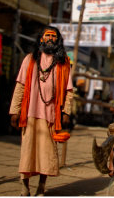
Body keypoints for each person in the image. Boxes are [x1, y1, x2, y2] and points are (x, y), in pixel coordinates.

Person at [9, 26, 73, 196]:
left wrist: (66, 112)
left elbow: (68, 91)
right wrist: (14, 111)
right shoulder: (30, 59)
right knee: (27, 152)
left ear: (58, 41)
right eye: (47, 36)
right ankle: (25, 187)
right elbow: (20, 86)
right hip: (30, 114)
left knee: (47, 154)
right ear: (41, 39)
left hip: (51, 116)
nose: (50, 39)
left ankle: (41, 187)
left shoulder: (63, 63)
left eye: (54, 37)